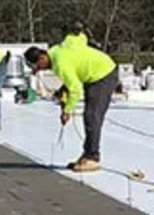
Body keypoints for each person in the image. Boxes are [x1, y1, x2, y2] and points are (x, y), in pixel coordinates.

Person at [28, 30, 118, 171]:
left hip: (103, 75)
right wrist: (77, 31)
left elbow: (75, 89)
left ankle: (93, 157)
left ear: (42, 58)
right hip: (94, 73)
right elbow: (79, 39)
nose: (40, 70)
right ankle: (87, 154)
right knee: (90, 115)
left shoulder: (60, 63)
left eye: (39, 67)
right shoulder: (58, 49)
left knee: (92, 116)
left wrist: (67, 110)